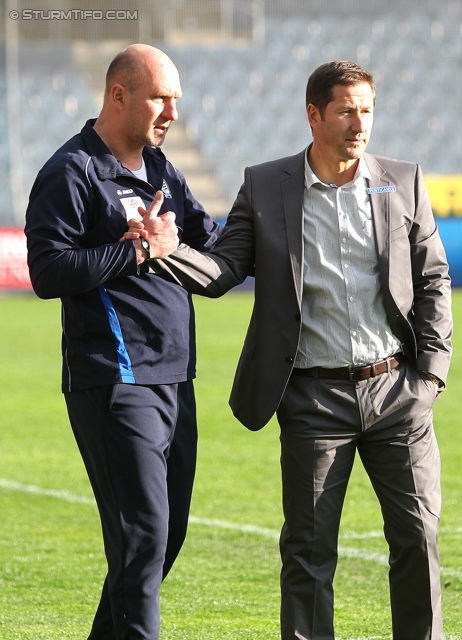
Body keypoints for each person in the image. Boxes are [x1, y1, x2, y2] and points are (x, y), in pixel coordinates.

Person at [127, 61, 452, 639]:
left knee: (418, 540)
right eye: (347, 110)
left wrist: (429, 376)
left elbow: (431, 280)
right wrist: (164, 252)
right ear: (314, 114)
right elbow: (225, 269)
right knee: (306, 552)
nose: (360, 123)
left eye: (367, 110)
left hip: (399, 393)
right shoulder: (268, 184)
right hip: (313, 399)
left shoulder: (402, 181)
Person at [25, 44, 222, 640]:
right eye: (161, 98)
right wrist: (135, 249)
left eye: (176, 101)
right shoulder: (72, 170)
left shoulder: (161, 169)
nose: (171, 113)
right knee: (143, 541)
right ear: (119, 95)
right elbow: (47, 271)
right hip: (115, 379)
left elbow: (210, 239)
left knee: (164, 539)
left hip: (173, 377)